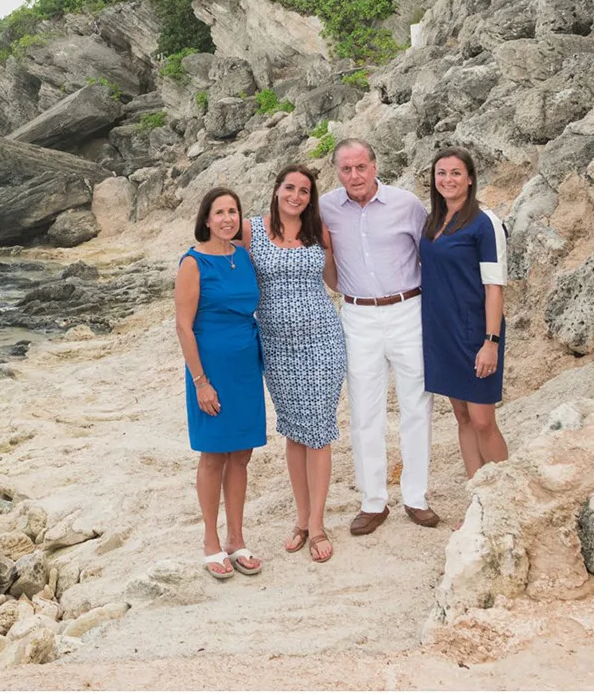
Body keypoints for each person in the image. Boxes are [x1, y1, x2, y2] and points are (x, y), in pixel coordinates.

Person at [316, 137, 437, 534]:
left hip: (408, 309)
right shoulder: (326, 208)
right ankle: (373, 502)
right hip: (358, 316)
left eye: (361, 167)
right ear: (337, 172)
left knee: (416, 405)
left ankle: (416, 498)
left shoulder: (407, 204)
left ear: (375, 166)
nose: (355, 175)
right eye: (346, 169)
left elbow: (431, 255)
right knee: (365, 411)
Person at [252, 163, 347, 563]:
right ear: (277, 189)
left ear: (311, 198)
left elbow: (337, 280)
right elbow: (223, 266)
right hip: (276, 347)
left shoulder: (318, 232)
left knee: (319, 431)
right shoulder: (251, 231)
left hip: (322, 341)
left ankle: (318, 525)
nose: (296, 196)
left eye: (304, 191)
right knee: (293, 430)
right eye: (289, 187)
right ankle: (302, 519)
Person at [174, 185, 268, 580]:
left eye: (233, 212)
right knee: (214, 454)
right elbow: (183, 326)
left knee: (242, 454)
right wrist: (200, 381)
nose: (228, 219)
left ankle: (236, 539)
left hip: (246, 366)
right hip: (210, 369)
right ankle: (211, 541)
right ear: (207, 220)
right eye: (220, 212)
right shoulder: (193, 263)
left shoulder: (243, 255)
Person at [420, 146, 509, 476]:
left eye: (456, 173)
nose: (448, 179)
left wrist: (490, 342)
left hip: (475, 332)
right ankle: (476, 493)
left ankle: (505, 494)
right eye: (441, 173)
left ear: (470, 178)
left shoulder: (485, 223)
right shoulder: (433, 220)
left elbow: (495, 287)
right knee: (463, 417)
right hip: (441, 333)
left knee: (483, 420)